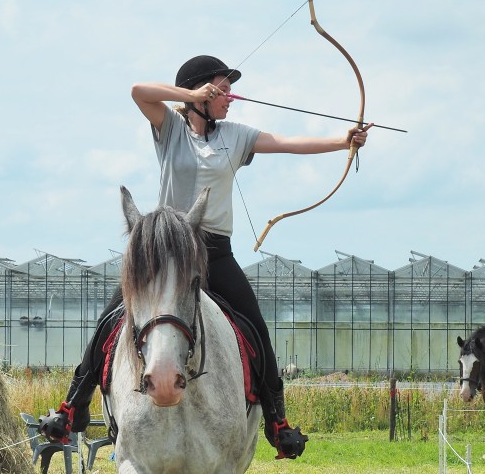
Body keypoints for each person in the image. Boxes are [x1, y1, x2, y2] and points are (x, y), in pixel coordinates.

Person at [39, 55, 371, 460]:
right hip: (167, 251)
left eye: (229, 88)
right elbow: (138, 92)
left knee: (256, 329)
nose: (230, 96)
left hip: (214, 250)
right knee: (111, 321)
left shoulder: (236, 135)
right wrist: (188, 95)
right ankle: (73, 405)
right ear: (202, 94)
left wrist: (343, 141)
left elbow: (286, 144)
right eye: (222, 88)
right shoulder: (170, 129)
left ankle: (277, 422)